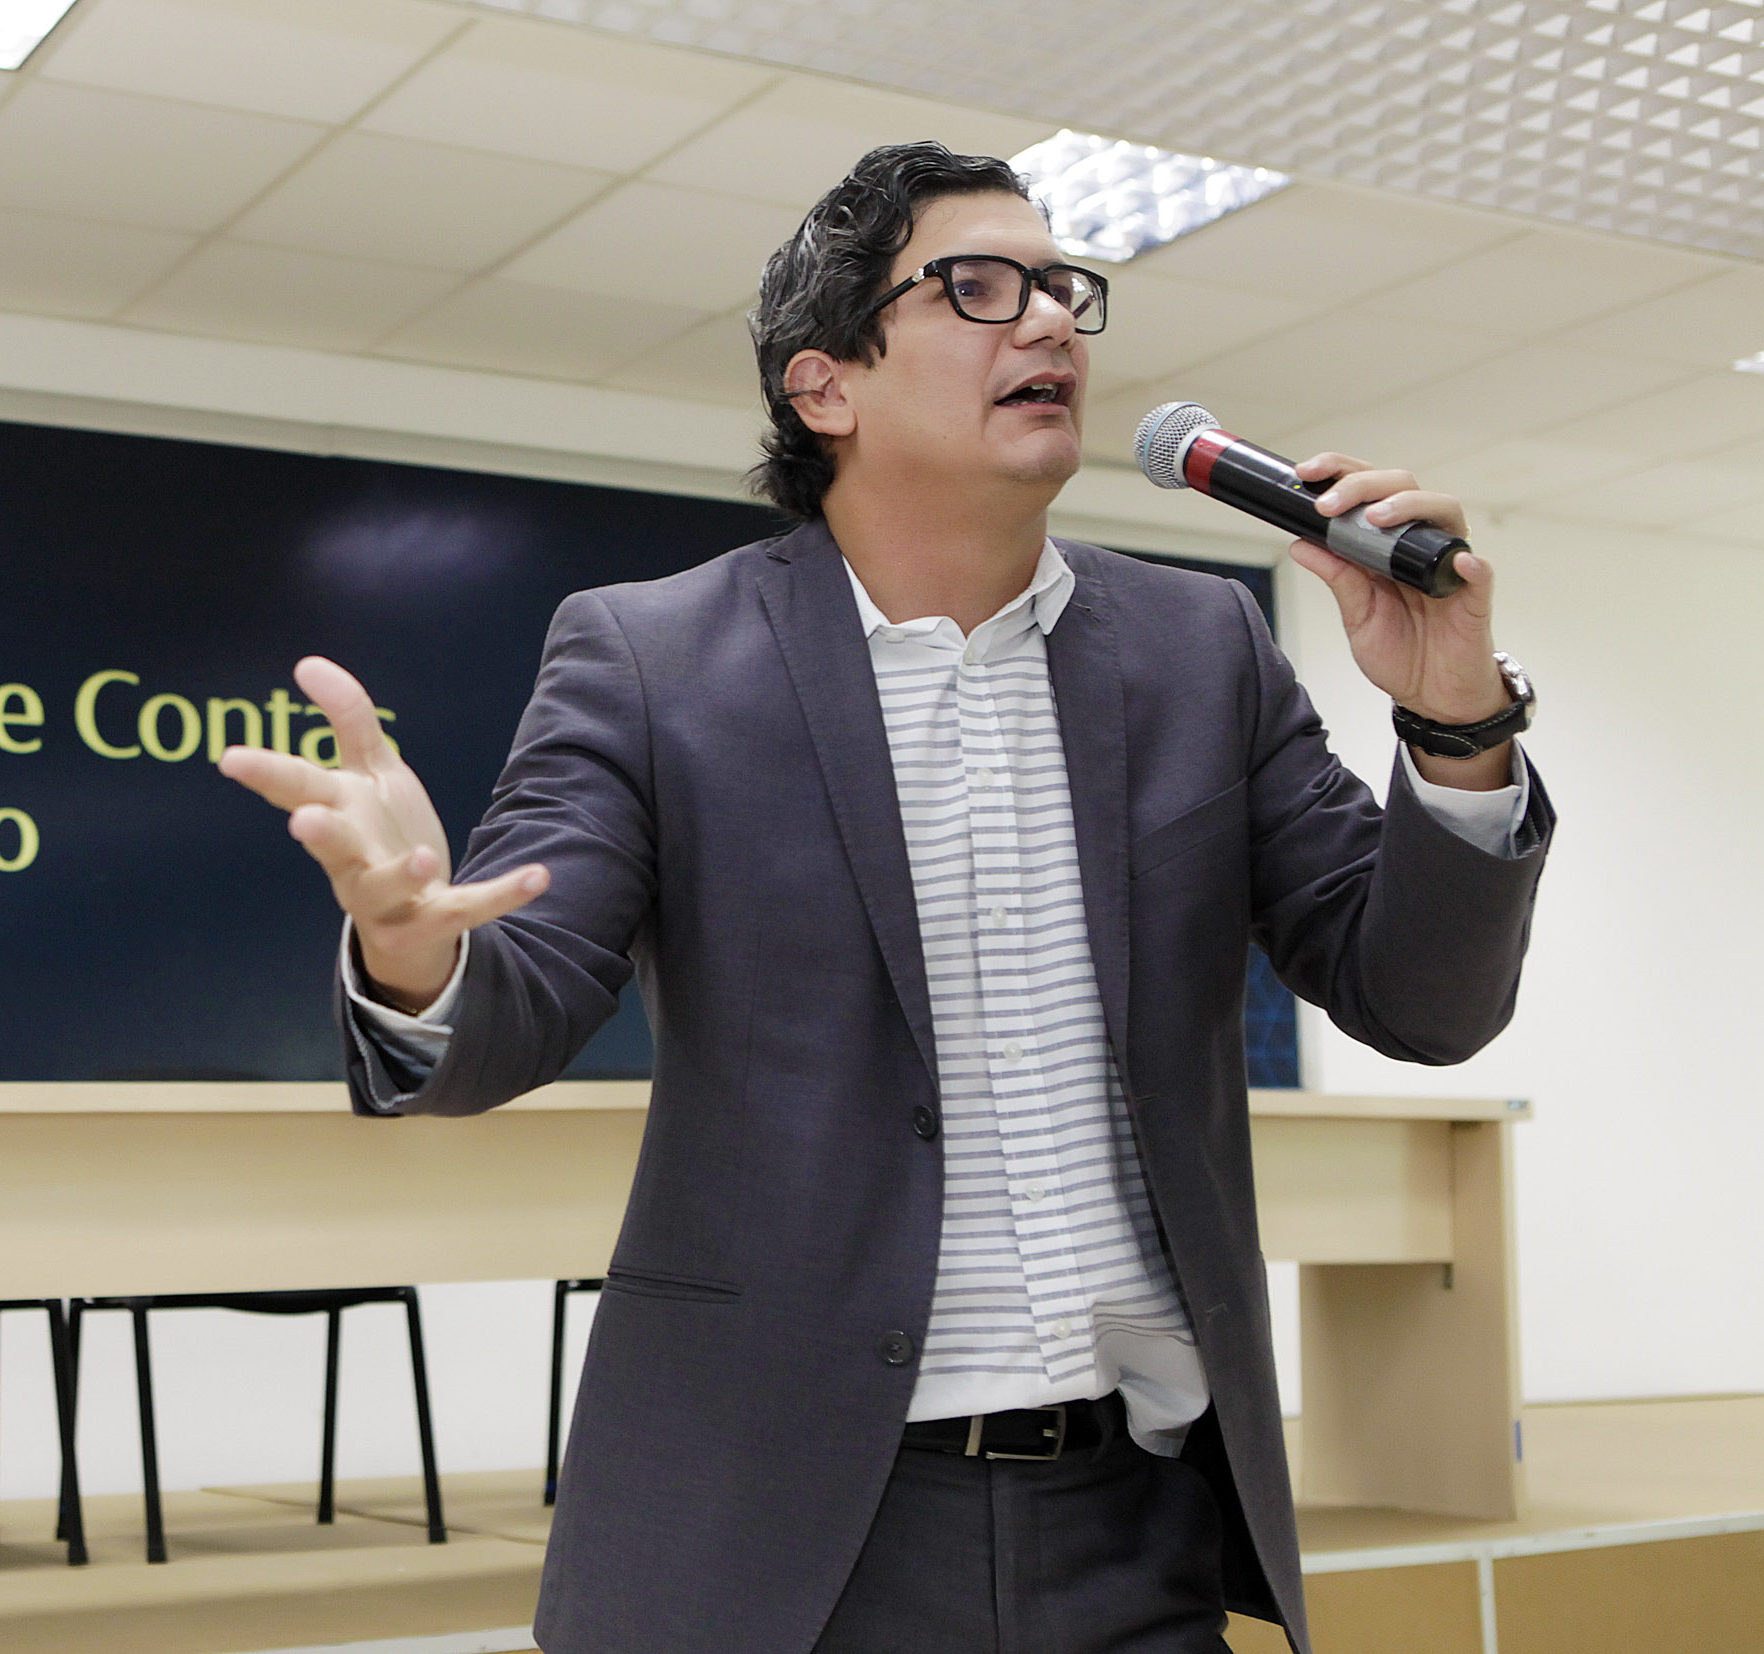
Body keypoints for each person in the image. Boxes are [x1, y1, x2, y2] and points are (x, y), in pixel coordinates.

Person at [220, 143, 1550, 1654]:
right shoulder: (653, 658)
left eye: (1061, 288)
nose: (1045, 320)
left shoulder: (1203, 650)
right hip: (784, 1538)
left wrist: (1458, 725)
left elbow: (1423, 1002)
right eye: (976, 287)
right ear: (823, 387)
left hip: (1138, 1523)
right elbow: (517, 990)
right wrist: (411, 952)